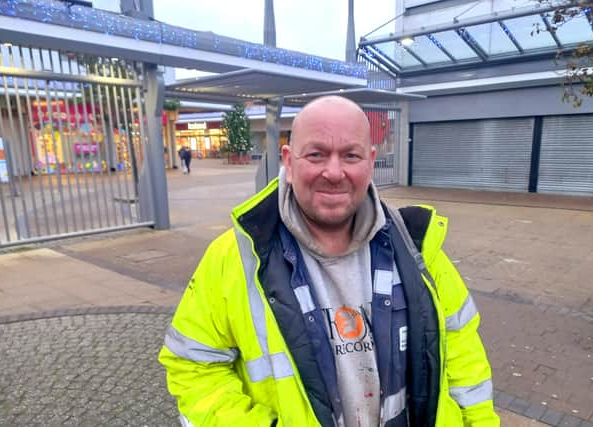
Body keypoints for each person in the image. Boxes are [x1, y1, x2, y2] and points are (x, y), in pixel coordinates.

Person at [159, 96, 500, 427]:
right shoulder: (234, 257)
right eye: (317, 154)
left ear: (370, 161)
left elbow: (463, 357)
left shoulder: (418, 250)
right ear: (289, 163)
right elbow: (193, 368)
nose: (334, 172)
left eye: (350, 155)